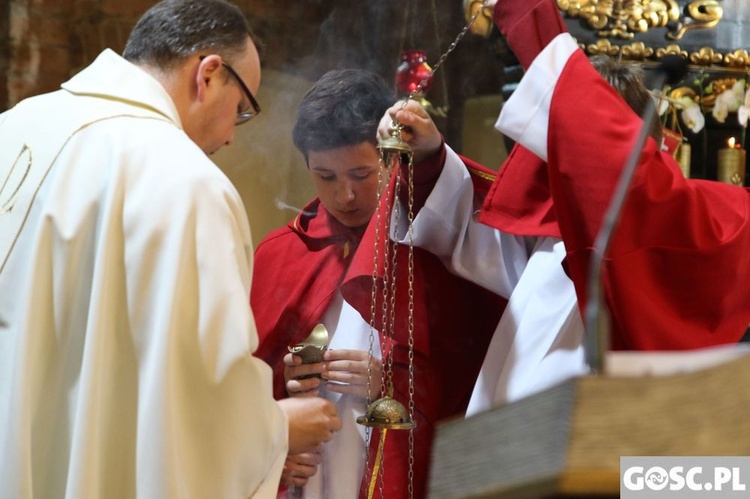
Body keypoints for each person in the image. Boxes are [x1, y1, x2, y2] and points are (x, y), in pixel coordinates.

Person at [0, 1, 341, 498]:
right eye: (242, 110)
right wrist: (278, 429)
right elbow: (198, 397)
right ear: (207, 75)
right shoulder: (185, 182)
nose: (229, 137)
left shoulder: (14, 127)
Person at [251, 69, 504, 498]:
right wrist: (281, 409)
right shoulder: (281, 253)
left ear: (391, 158)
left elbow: (470, 373)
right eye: (325, 177)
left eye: (361, 174)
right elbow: (246, 384)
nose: (344, 195)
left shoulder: (432, 248)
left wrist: (390, 384)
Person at [486, 0, 749, 348]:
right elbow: (478, 243)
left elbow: (620, 173)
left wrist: (528, 16)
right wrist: (432, 164)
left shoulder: (705, 213)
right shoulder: (547, 237)